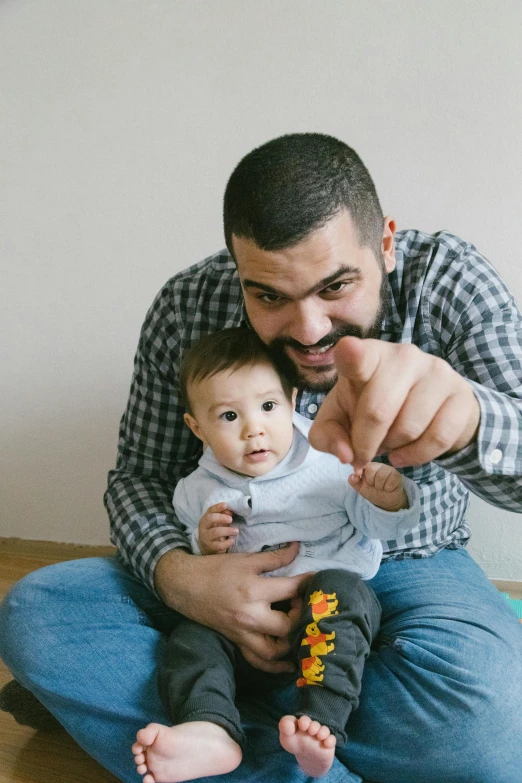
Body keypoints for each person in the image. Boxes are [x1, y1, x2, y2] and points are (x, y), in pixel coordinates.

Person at [0, 132, 521, 783]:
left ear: (385, 243)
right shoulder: (188, 303)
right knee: (36, 612)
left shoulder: (448, 282)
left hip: (406, 563)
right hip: (230, 567)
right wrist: (182, 577)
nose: (309, 330)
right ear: (235, 265)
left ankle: (212, 709)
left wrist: (468, 418)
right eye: (269, 295)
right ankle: (279, 724)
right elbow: (139, 478)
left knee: (494, 728)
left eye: (336, 286)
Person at [131, 327, 421, 782]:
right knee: (191, 638)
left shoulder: (329, 461)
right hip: (240, 624)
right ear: (197, 427)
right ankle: (210, 728)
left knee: (342, 593)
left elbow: (373, 527)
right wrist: (205, 544)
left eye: (268, 407)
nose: (254, 429)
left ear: (291, 399)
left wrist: (387, 500)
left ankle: (320, 720)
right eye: (228, 416)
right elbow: (197, 559)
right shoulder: (197, 489)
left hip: (324, 607)